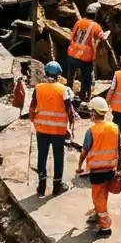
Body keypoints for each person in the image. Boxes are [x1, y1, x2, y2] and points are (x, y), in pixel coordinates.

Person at [27, 61, 73, 197]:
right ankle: (56, 187)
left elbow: (31, 107)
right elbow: (69, 110)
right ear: (59, 75)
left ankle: (41, 186)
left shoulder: (38, 88)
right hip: (58, 131)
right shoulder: (64, 90)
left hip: (41, 129)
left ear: (46, 73)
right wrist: (72, 125)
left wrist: (32, 119)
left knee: (42, 156)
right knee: (58, 158)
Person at [80, 98, 121, 235]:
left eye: (91, 111)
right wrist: (120, 167)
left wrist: (80, 165)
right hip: (110, 169)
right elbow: (119, 149)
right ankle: (99, 212)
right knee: (103, 194)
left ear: (94, 113)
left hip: (97, 171)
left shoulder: (91, 131)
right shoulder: (114, 127)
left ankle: (105, 227)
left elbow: (85, 151)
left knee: (98, 196)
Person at [64, 3, 106, 101]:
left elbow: (72, 36)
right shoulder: (96, 26)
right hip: (85, 57)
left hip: (72, 53)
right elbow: (101, 37)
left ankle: (67, 95)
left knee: (70, 76)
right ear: (95, 15)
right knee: (86, 78)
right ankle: (84, 97)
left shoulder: (78, 23)